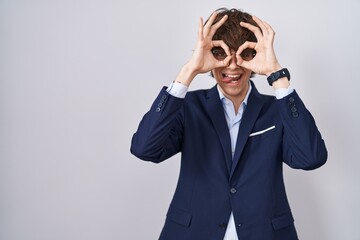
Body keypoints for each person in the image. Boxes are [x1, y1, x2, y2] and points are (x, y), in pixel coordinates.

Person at [130, 8, 327, 240]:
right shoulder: (189, 107)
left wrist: (276, 73)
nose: (232, 66)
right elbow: (145, 148)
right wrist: (188, 71)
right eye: (220, 53)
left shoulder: (277, 110)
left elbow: (311, 157)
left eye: (244, 54)